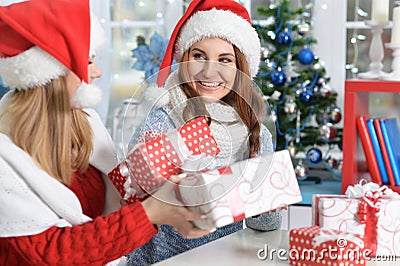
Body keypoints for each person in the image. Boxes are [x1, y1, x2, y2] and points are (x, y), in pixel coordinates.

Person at [0, 1, 211, 265]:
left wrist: (162, 191)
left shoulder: (84, 122)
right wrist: (152, 212)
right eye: (88, 61)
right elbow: (54, 253)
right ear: (52, 74)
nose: (98, 72)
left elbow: (116, 198)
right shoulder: (5, 159)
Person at [127, 0, 282, 265]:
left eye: (225, 60)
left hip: (223, 258)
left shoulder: (254, 132)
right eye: (199, 56)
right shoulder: (163, 118)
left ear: (241, 69)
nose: (210, 71)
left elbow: (268, 224)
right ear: (184, 59)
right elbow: (131, 189)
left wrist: (259, 190)